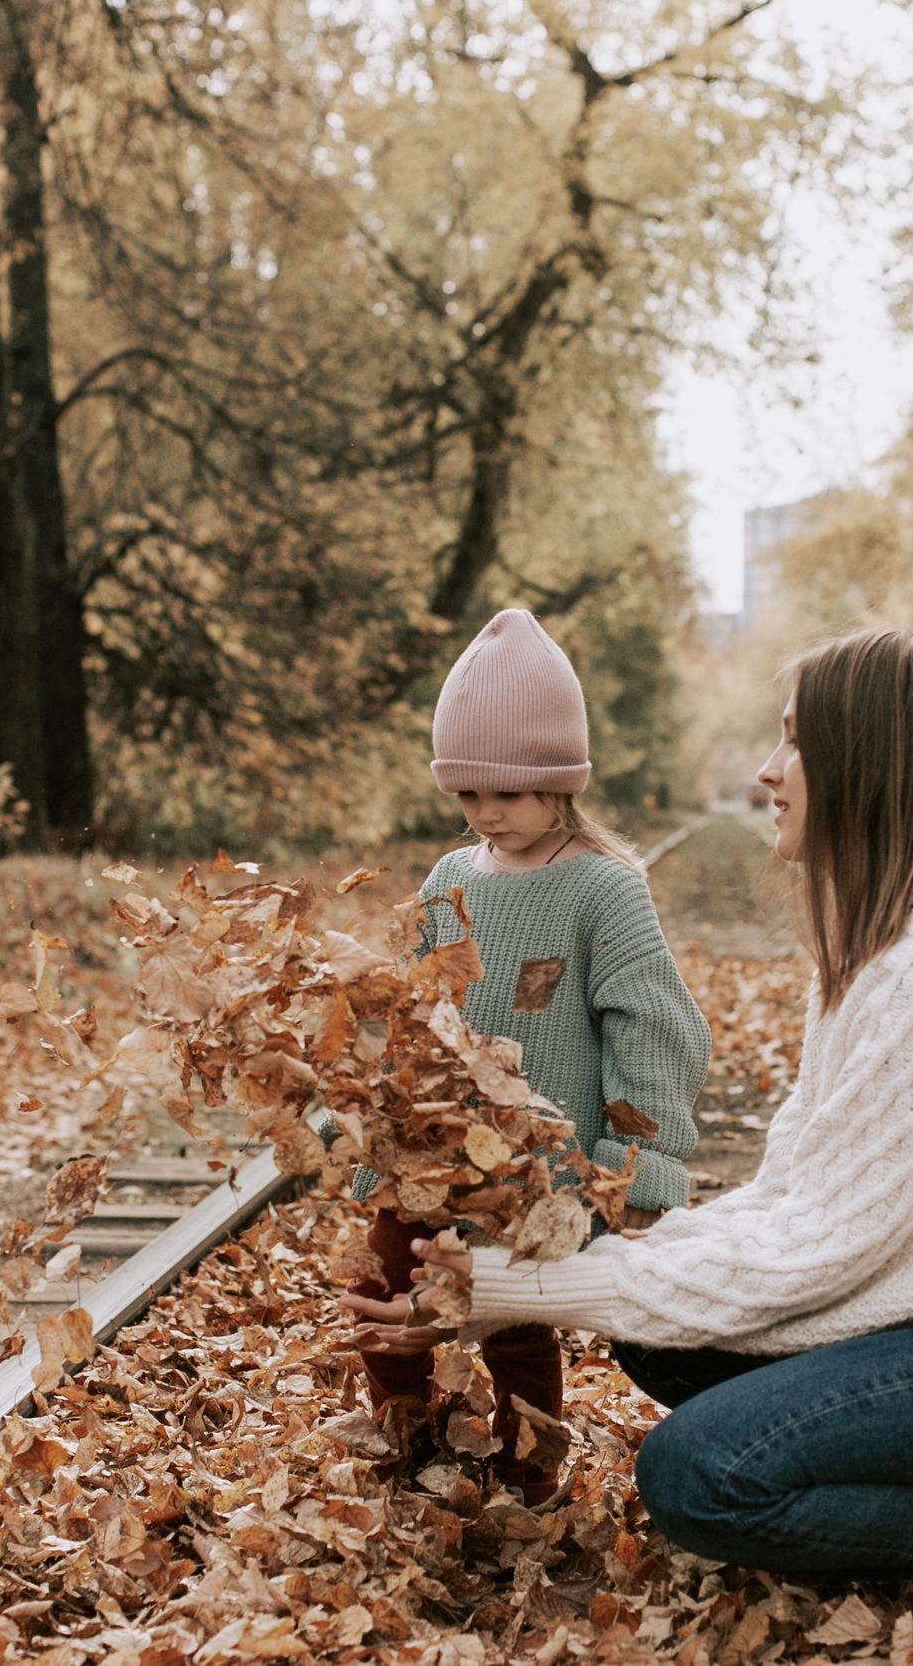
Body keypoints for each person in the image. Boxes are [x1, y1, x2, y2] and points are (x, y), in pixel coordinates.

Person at [352, 629, 913, 1636]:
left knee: (697, 1477)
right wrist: (576, 1268)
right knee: (662, 1334)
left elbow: (820, 1250)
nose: (766, 771)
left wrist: (509, 1289)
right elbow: (794, 1204)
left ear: (868, 762)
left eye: (794, 744)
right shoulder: (885, 929)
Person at [341, 608, 709, 1507]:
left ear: (557, 780)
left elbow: (653, 1029)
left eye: (503, 791)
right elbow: (414, 1012)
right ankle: (409, 1442)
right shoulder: (450, 878)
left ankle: (528, 1471)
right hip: (432, 1155)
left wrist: (637, 1170)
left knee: (511, 1323)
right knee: (385, 1291)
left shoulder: (602, 891)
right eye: (466, 794)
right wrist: (371, 1128)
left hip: (537, 1168)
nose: (484, 813)